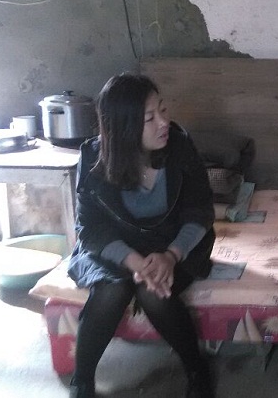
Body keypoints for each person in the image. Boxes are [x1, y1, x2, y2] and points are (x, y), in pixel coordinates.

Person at [67, 73, 216, 398]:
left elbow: (200, 211)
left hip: (172, 242)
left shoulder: (179, 146)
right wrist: (134, 262)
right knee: (112, 289)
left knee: (153, 292)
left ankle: (196, 369)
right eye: (150, 118)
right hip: (117, 246)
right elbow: (89, 228)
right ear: (123, 127)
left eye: (163, 109)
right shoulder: (94, 159)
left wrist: (171, 255)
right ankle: (82, 380)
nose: (163, 122)